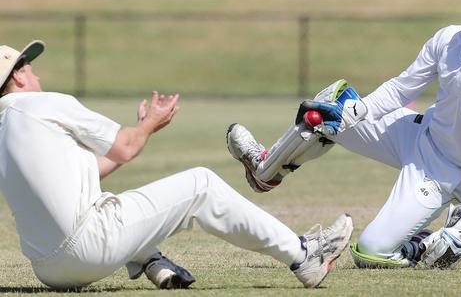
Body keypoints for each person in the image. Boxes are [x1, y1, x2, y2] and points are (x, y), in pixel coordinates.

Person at [227, 0, 461, 269]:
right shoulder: (450, 39)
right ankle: (266, 172)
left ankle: (420, 246)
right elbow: (402, 88)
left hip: (447, 174)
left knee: (370, 252)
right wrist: (357, 112)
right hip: (417, 133)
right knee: (329, 110)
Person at [0, 40, 353, 290]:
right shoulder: (42, 104)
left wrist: (142, 131)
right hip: (89, 250)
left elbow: (91, 169)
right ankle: (303, 255)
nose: (37, 77)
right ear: (18, 77)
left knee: (108, 202)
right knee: (201, 184)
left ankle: (153, 263)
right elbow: (123, 147)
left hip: (47, 268)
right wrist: (147, 126)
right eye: (30, 69)